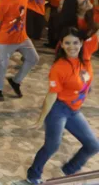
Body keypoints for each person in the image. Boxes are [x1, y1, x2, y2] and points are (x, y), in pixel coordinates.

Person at [26, 27, 99, 184]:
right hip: (58, 110)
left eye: (75, 42)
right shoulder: (59, 67)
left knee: (93, 145)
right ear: (62, 44)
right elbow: (51, 95)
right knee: (52, 146)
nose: (72, 47)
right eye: (67, 43)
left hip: (74, 111)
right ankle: (33, 174)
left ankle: (69, 170)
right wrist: (41, 119)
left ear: (81, 42)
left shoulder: (85, 53)